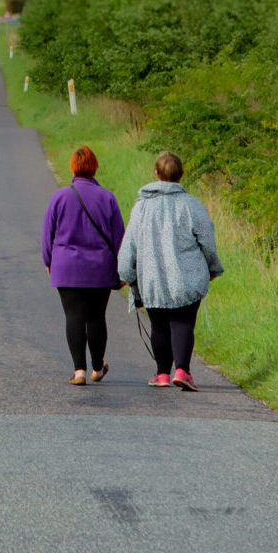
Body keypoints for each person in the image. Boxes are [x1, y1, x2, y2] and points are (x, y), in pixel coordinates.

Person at [117, 150, 222, 391]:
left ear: (156, 173)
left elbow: (129, 244)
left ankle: (162, 374)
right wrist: (213, 268)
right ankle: (183, 371)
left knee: (159, 325)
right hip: (187, 277)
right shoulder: (192, 205)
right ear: (181, 174)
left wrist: (126, 275)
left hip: (152, 278)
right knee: (183, 323)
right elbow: (207, 241)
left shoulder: (141, 207)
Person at [41, 145, 126, 385]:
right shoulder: (107, 197)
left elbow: (48, 235)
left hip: (66, 267)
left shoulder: (59, 196)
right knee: (97, 317)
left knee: (74, 316)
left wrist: (49, 261)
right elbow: (119, 236)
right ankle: (97, 368)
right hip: (100, 268)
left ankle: (79, 370)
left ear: (73, 168)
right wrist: (123, 267)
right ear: (95, 167)